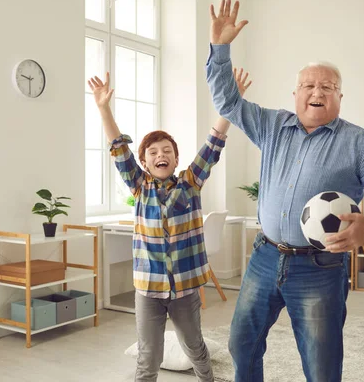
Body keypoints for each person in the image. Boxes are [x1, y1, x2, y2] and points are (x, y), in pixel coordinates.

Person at [206, 0, 364, 382]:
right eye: (308, 85)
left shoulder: (358, 142)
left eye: (327, 86)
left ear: (339, 96)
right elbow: (227, 101)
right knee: (241, 342)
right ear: (295, 93)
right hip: (264, 257)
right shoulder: (271, 125)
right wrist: (220, 49)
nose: (316, 91)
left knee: (320, 363)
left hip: (320, 269)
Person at [88, 69, 251, 382]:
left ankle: (207, 379)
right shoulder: (139, 187)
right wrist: (103, 108)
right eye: (152, 153)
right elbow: (118, 150)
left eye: (167, 151)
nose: (160, 155)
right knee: (148, 356)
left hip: (185, 288)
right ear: (146, 164)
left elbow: (213, 144)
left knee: (194, 346)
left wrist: (231, 101)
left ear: (176, 160)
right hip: (148, 289)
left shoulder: (190, 184)